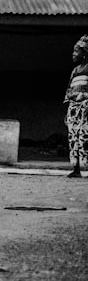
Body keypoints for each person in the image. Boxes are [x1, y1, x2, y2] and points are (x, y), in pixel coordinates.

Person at [64, 35, 88, 178]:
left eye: (76, 51)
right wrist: (68, 111)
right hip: (73, 110)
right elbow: (69, 91)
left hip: (85, 108)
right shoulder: (74, 71)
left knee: (85, 137)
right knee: (73, 138)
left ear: (84, 53)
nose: (73, 54)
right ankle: (76, 168)